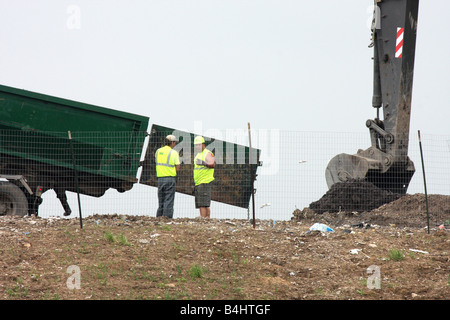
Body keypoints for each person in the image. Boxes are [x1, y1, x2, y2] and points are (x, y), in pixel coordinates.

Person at [155, 134, 180, 218]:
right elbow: (178, 167)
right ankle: (167, 218)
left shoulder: (158, 151)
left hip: (160, 179)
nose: (175, 144)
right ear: (172, 143)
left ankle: (159, 217)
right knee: (168, 200)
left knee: (161, 200)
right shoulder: (174, 153)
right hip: (169, 178)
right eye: (175, 142)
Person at [193, 136, 215, 218]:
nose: (197, 147)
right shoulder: (199, 154)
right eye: (196, 145)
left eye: (199, 145)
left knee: (202, 203)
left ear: (203, 144)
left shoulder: (207, 153)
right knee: (204, 203)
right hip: (199, 182)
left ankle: (203, 219)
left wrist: (203, 163)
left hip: (204, 181)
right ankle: (206, 219)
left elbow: (213, 164)